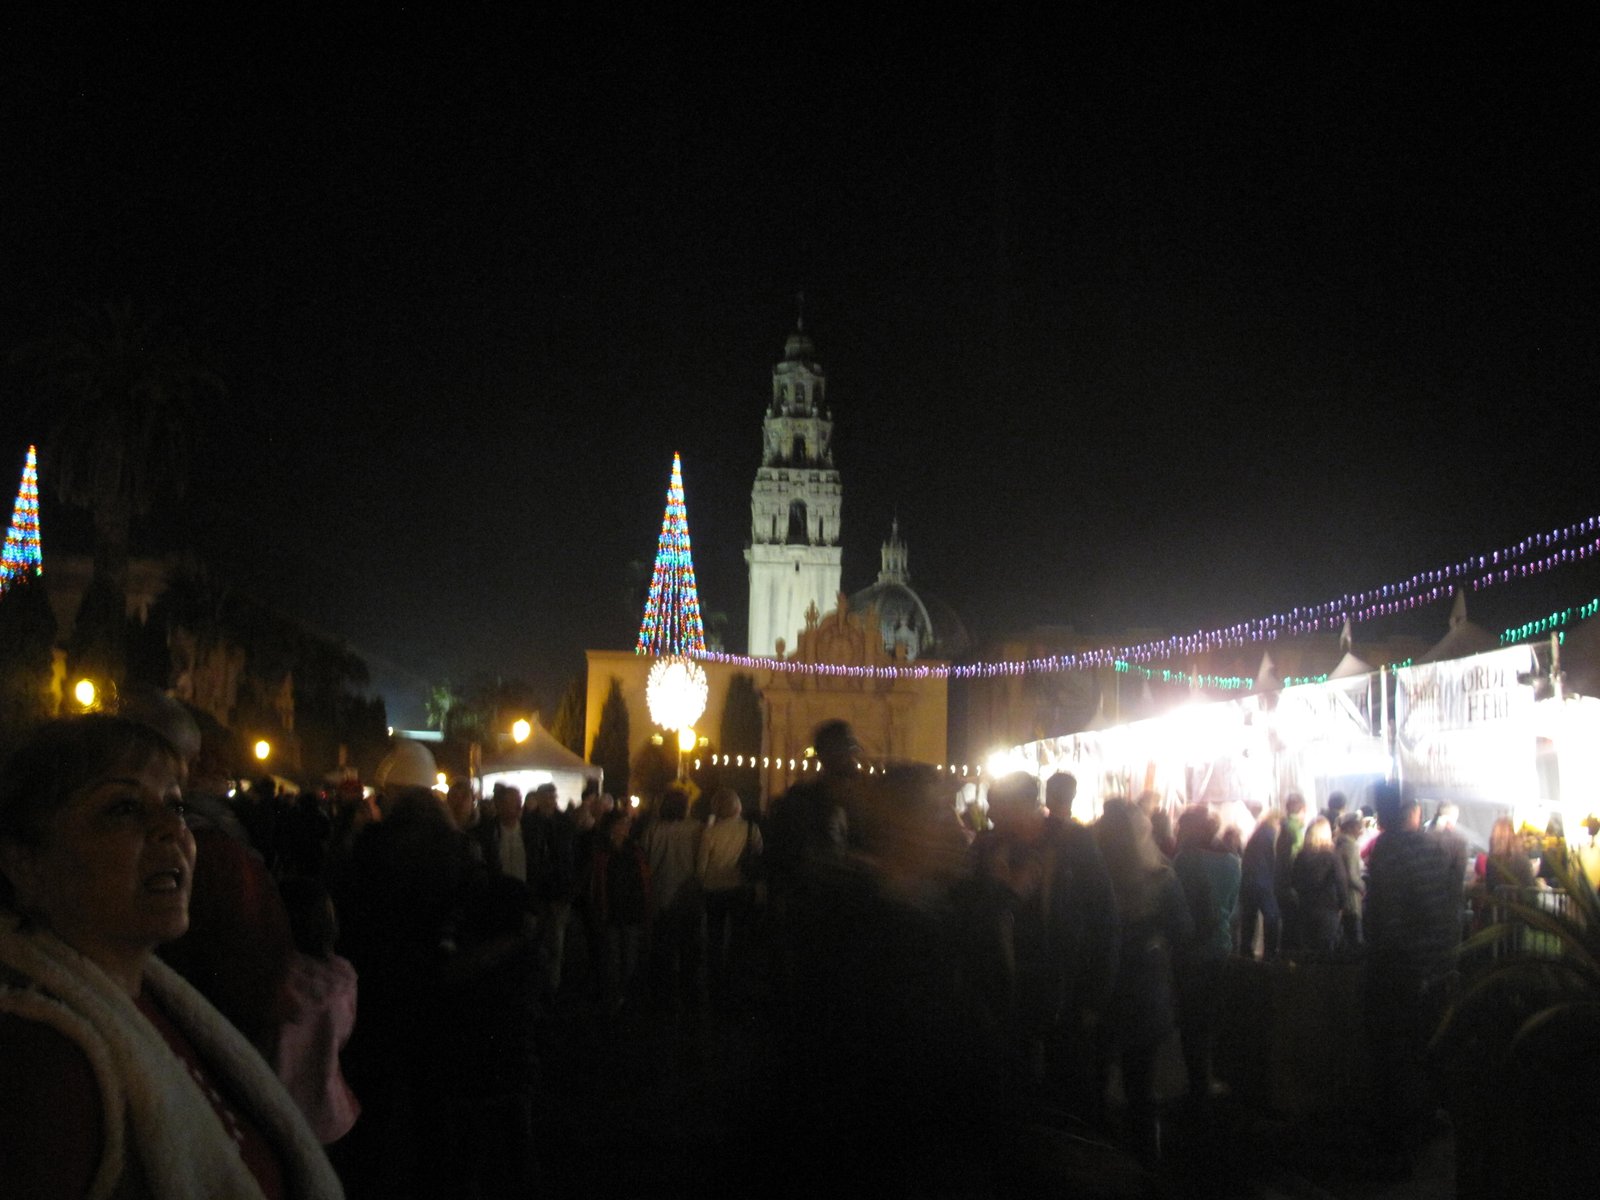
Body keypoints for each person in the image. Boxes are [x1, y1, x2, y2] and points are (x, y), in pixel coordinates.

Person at [0, 715, 342, 1198]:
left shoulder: (152, 1002)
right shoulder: (41, 1068)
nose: (172, 830)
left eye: (176, 806)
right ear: (23, 863)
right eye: (123, 808)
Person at [1289, 816, 1347, 958]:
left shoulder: (1300, 857)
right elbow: (1341, 883)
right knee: (1326, 955)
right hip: (1329, 910)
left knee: (1308, 954)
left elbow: (1294, 882)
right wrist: (1342, 905)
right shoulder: (1333, 856)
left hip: (1305, 910)